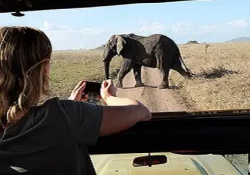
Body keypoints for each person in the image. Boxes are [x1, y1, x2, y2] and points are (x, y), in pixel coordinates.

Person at [0, 26, 151, 175]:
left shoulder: (65, 116)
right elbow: (141, 111)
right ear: (43, 69)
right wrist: (109, 97)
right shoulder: (66, 115)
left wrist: (69, 106)